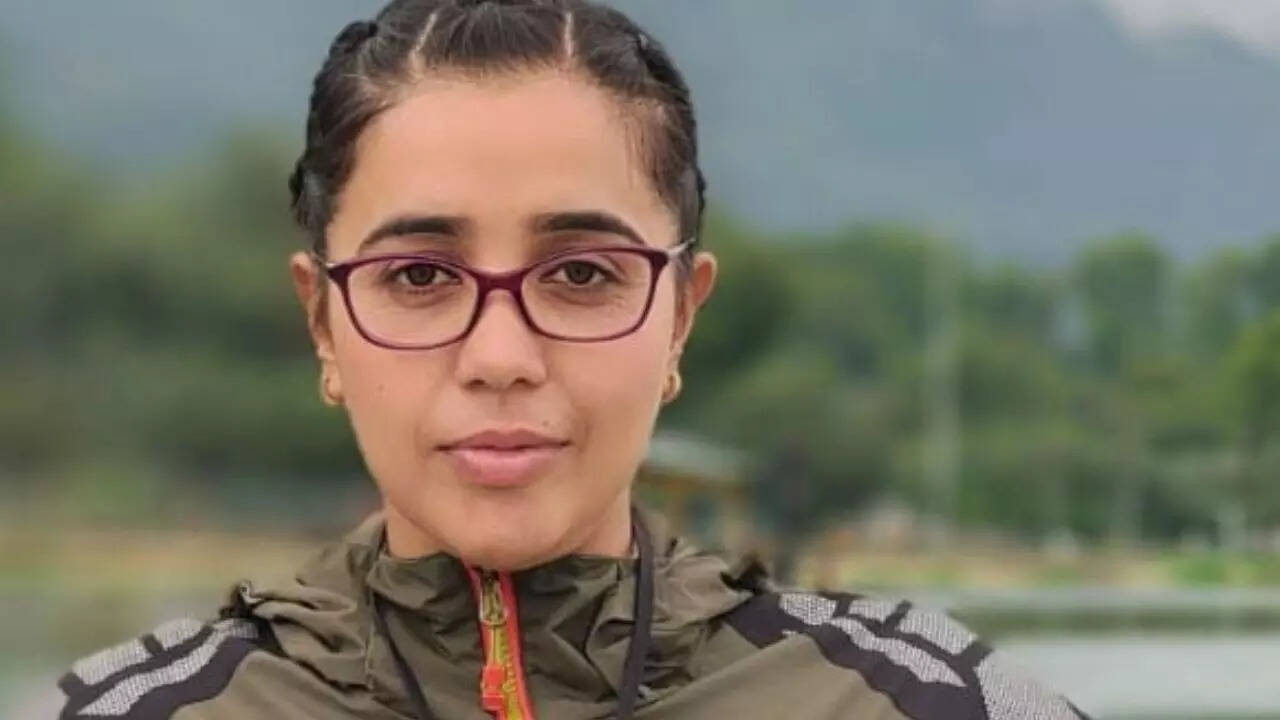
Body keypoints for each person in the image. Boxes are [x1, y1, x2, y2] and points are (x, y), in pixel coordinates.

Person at [55, 1, 1090, 718]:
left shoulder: (918, 702)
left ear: (679, 315)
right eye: (418, 276)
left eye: (583, 274)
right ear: (323, 321)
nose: (499, 356)